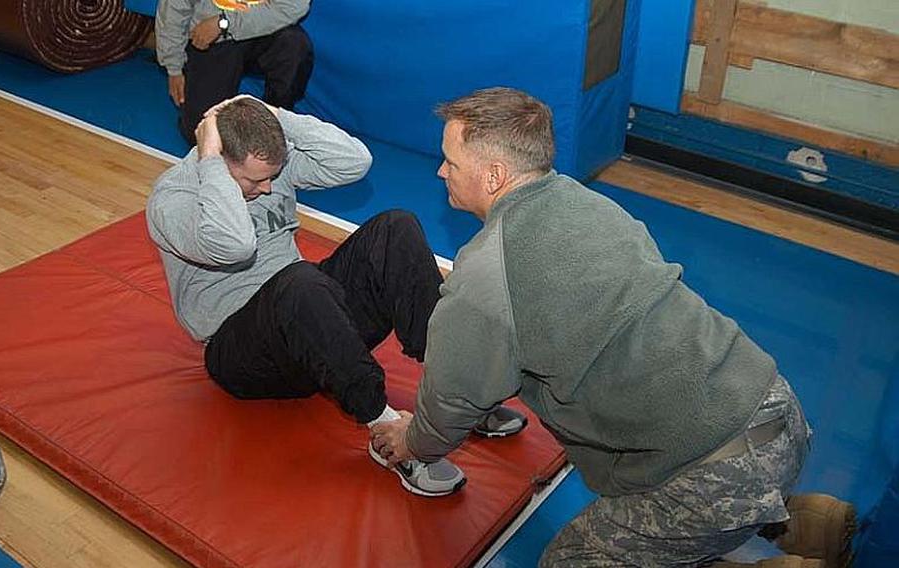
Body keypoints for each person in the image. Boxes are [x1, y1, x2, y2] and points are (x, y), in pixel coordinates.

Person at [371, 87, 855, 566]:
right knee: (680, 476)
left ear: (494, 175)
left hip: (718, 469)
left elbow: (454, 397)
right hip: (774, 407)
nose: (440, 171)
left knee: (571, 561)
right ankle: (812, 524)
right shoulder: (586, 203)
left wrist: (413, 441)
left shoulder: (484, 277)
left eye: (450, 162)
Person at [146, 95, 520, 498]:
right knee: (301, 281)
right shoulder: (174, 198)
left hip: (310, 321)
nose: (268, 188)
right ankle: (389, 433)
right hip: (241, 352)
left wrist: (276, 116)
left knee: (396, 227)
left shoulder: (263, 171)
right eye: (254, 182)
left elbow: (354, 161)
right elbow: (234, 245)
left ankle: (456, 392)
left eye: (272, 177)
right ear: (216, 159)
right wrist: (209, 162)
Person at [155, 0, 314, 144]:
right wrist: (174, 67)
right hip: (209, 39)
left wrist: (225, 22)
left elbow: (292, 7)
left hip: (260, 31)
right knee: (200, 134)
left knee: (295, 45)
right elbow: (172, 9)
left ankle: (273, 123)